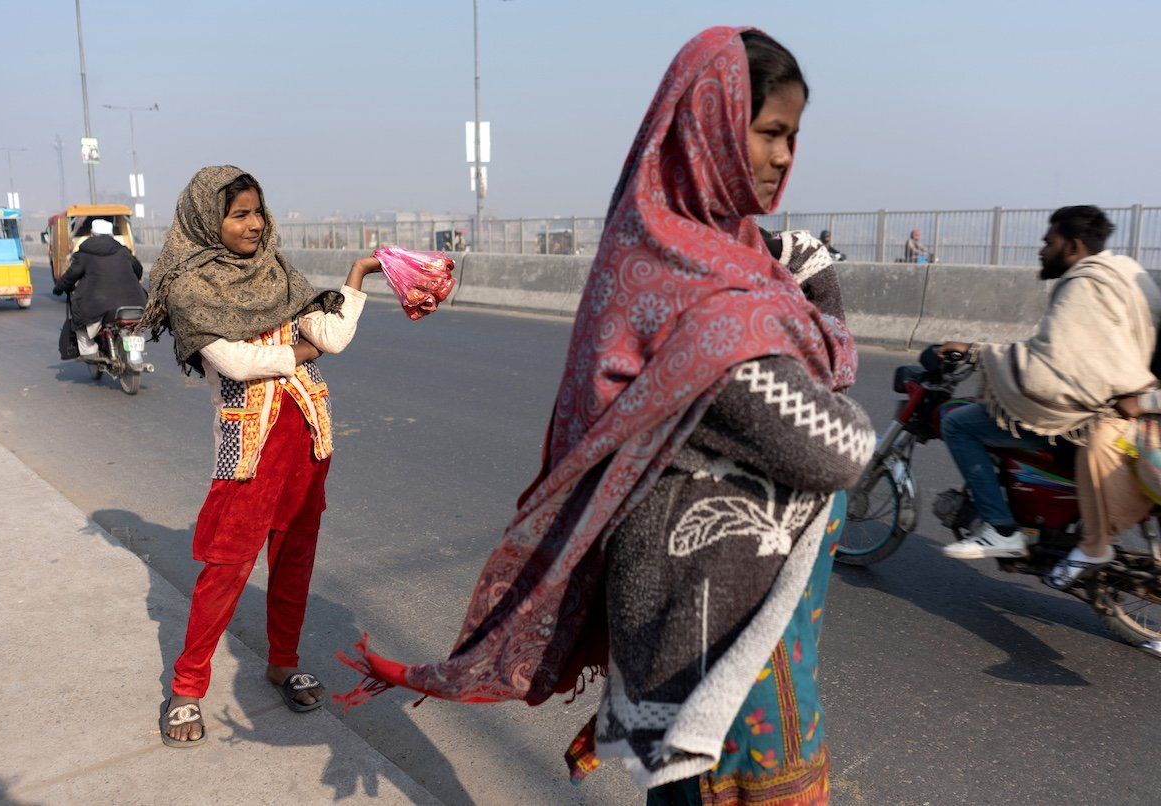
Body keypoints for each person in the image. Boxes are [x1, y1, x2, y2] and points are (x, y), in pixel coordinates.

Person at [336, 27, 872, 803]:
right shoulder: (715, 313)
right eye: (770, 133)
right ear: (710, 130)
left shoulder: (660, 248)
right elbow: (841, 447)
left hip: (671, 635)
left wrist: (798, 297)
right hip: (720, 670)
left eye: (794, 136)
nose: (785, 157)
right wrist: (817, 298)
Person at [138, 166, 384, 747]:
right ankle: (187, 687)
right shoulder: (190, 288)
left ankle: (282, 661)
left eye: (257, 212)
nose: (253, 224)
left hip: (308, 440)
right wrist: (300, 347)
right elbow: (240, 363)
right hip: (247, 450)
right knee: (225, 570)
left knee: (294, 562)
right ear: (208, 219)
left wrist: (357, 276)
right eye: (239, 214)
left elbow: (335, 335)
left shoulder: (276, 273)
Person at [938, 206, 1161, 584]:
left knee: (960, 423)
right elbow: (1074, 351)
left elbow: (1050, 370)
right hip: (1133, 402)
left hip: (1092, 415)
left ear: (1072, 245)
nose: (1041, 251)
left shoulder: (1084, 285)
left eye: (1048, 242)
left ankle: (1000, 528)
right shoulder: (1123, 272)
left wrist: (979, 354)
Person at [52, 218, 147, 360]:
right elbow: (138, 270)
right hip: (134, 301)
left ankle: (90, 352)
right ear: (111, 235)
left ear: (91, 234)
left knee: (80, 324)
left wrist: (58, 288)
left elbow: (70, 276)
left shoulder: (84, 254)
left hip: (97, 305)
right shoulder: (123, 252)